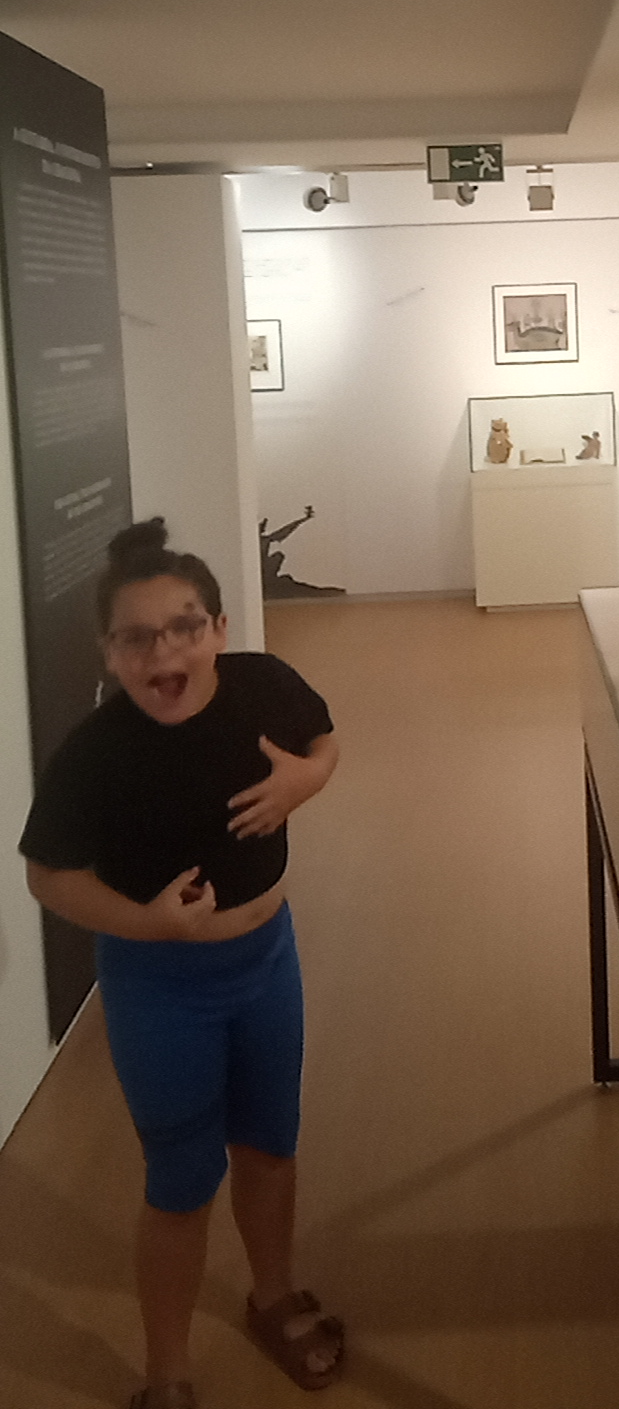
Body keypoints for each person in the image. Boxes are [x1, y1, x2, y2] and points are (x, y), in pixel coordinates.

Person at [19, 519, 344, 1409]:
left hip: (267, 961)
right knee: (181, 1180)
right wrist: (148, 923)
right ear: (109, 653)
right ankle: (167, 1372)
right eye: (136, 638)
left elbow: (325, 740)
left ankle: (272, 1297)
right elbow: (48, 874)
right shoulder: (95, 754)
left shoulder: (264, 686)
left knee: (270, 1147)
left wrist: (307, 780)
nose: (163, 654)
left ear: (218, 630)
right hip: (159, 986)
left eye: (184, 628)